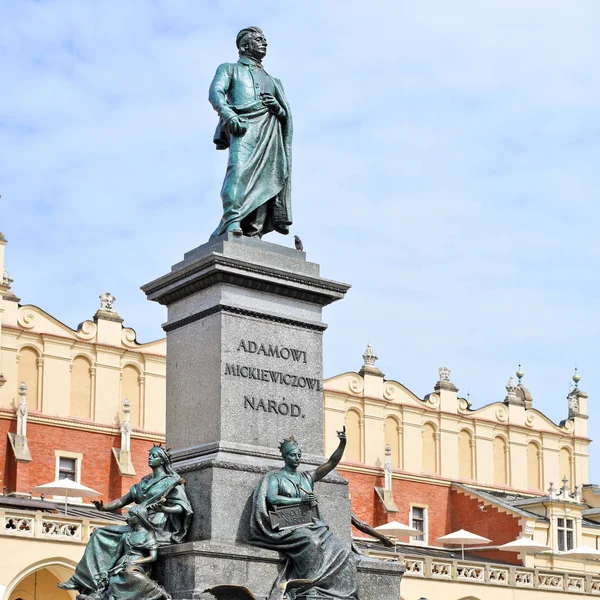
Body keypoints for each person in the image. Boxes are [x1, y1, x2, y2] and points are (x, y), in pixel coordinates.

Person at [58, 446, 192, 597]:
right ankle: (85, 580)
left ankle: (98, 589)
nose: (150, 458)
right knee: (99, 534)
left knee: (105, 536)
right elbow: (123, 500)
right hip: (137, 523)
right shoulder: (144, 483)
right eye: (149, 455)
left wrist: (163, 509)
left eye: (154, 456)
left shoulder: (172, 482)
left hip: (157, 526)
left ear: (162, 460)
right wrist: (104, 507)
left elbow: (182, 508)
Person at [249, 429, 358, 599]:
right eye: (293, 455)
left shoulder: (307, 477)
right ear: (285, 457)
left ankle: (335, 590)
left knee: (344, 550)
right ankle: (305, 587)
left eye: (299, 454)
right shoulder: (276, 477)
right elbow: (272, 498)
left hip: (310, 523)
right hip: (287, 524)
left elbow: (331, 463)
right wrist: (301, 501)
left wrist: (342, 444)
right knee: (311, 543)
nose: (297, 458)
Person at [209, 26, 293, 239]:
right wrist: (228, 114)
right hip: (243, 126)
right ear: (244, 45)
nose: (264, 43)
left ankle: (255, 230)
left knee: (269, 177)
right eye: (258, 39)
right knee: (238, 170)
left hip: (269, 132)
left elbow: (284, 115)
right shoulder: (229, 69)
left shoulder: (274, 81)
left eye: (264, 39)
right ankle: (232, 220)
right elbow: (215, 92)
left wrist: (277, 108)